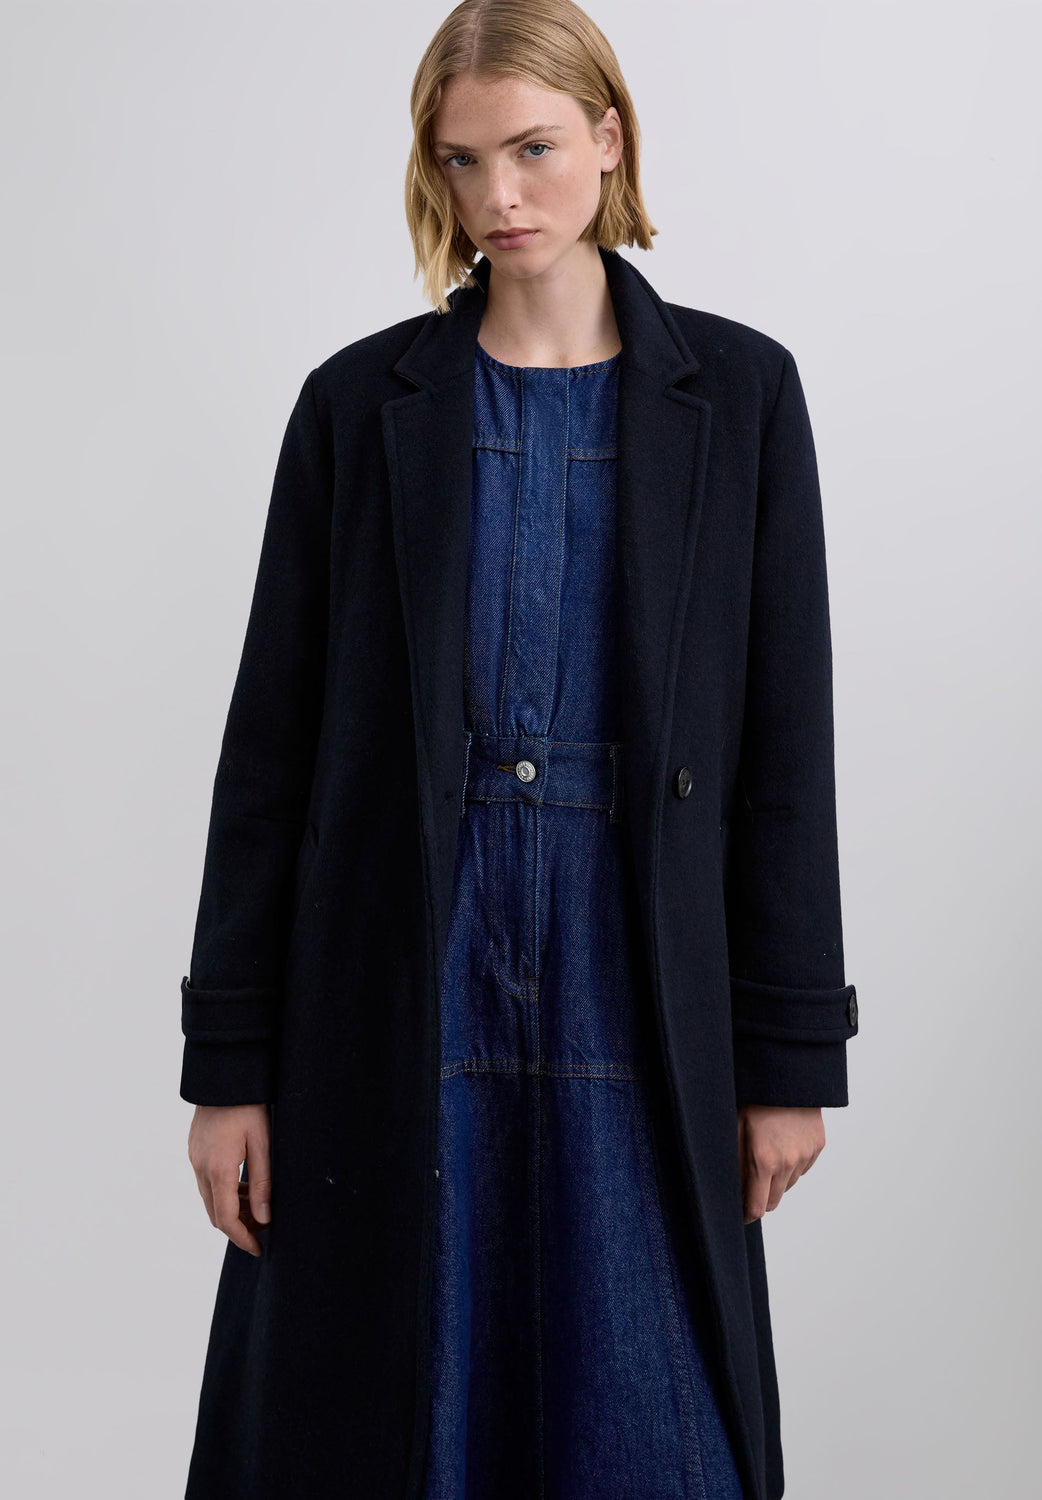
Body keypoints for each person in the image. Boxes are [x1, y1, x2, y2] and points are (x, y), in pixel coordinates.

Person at [180, 3, 859, 1498]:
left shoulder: (739, 398)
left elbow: (782, 759)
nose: (500, 194)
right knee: (402, 1418)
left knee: (652, 1425)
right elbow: (267, 760)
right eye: (463, 159)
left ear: (609, 140)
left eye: (534, 148)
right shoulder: (359, 407)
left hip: (639, 985)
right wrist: (227, 1070)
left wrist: (790, 1056)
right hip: (396, 986)